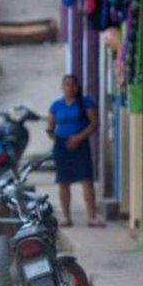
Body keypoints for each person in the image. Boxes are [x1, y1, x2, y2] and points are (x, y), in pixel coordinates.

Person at [46, 74, 103, 227]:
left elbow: (94, 123)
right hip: (62, 145)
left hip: (80, 144)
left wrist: (78, 138)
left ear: (77, 87)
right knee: (63, 181)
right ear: (62, 87)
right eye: (66, 85)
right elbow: (50, 124)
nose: (70, 88)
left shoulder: (85, 103)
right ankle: (66, 217)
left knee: (86, 180)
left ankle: (91, 216)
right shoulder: (56, 105)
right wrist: (54, 136)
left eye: (73, 85)